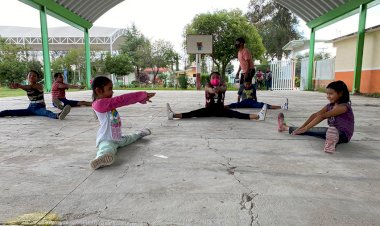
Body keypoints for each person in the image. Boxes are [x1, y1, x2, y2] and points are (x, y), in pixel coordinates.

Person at [90, 76, 155, 170]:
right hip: (106, 138)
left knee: (130, 138)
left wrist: (140, 99)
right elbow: (122, 100)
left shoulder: (106, 103)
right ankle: (100, 158)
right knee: (107, 148)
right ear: (99, 91)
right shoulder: (99, 104)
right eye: (110, 89)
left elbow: (122, 101)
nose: (112, 92)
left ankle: (141, 133)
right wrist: (141, 95)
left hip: (117, 138)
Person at [278, 80, 354, 153]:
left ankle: (331, 142)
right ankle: (330, 141)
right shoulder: (329, 106)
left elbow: (322, 116)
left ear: (340, 93)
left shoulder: (343, 107)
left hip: (344, 135)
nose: (328, 96)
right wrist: (302, 127)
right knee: (317, 131)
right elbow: (316, 115)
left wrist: (306, 128)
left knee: (323, 131)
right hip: (331, 131)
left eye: (331, 94)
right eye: (327, 94)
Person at [166, 72, 267, 121]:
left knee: (237, 114)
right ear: (210, 79)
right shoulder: (207, 86)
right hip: (208, 109)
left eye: (217, 77)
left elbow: (223, 89)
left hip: (220, 110)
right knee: (193, 113)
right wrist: (212, 90)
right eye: (213, 77)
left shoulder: (223, 86)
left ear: (220, 79)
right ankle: (173, 115)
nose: (215, 79)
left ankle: (258, 116)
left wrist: (218, 89)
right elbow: (208, 89)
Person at [0, 70, 71, 120]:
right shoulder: (26, 87)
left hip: (39, 107)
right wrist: (18, 86)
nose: (32, 77)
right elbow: (27, 87)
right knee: (10, 112)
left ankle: (58, 115)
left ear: (37, 78)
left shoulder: (39, 85)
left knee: (46, 112)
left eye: (34, 76)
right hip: (31, 108)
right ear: (27, 77)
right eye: (30, 75)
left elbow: (30, 87)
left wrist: (19, 85)